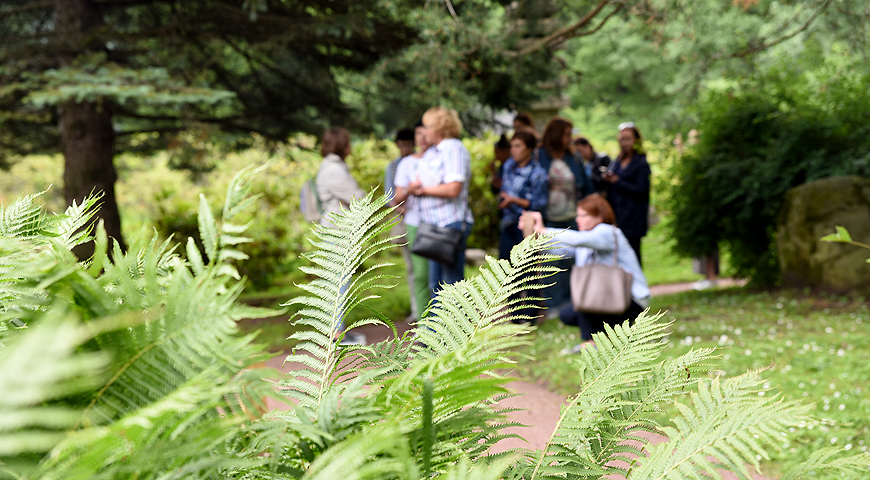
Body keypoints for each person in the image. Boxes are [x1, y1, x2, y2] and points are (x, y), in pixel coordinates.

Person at [520, 194, 650, 354]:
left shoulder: (608, 232)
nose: (578, 219)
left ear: (599, 216)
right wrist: (534, 237)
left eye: (583, 215)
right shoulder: (588, 241)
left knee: (587, 298)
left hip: (631, 300)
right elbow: (558, 250)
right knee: (567, 314)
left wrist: (544, 230)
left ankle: (591, 342)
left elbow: (577, 239)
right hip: (609, 299)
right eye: (577, 215)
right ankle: (609, 337)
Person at [407, 107, 474, 297]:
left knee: (450, 286)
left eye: (427, 127)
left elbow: (453, 188)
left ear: (439, 128)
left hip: (449, 223)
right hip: (432, 225)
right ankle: (436, 327)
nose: (423, 131)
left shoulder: (453, 148)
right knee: (435, 286)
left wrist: (422, 190)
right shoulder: (432, 152)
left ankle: (454, 326)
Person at [315, 126, 366, 345]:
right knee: (339, 280)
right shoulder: (333, 169)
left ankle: (338, 330)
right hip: (337, 228)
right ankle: (336, 333)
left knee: (338, 278)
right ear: (341, 144)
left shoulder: (331, 166)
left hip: (335, 226)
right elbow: (358, 196)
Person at [536, 117, 594, 311]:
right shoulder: (539, 156)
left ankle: (573, 303)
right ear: (556, 135)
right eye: (567, 134)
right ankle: (554, 305)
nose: (570, 138)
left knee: (574, 260)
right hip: (549, 217)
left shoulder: (574, 157)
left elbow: (585, 186)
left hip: (572, 216)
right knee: (552, 263)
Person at [499, 130, 548, 323]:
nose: (513, 150)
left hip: (526, 225)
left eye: (518, 146)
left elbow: (540, 203)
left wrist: (514, 201)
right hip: (508, 223)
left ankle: (531, 315)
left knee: (528, 270)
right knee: (508, 271)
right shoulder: (508, 166)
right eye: (512, 145)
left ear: (529, 149)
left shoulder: (538, 173)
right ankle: (514, 314)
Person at [393, 122, 432, 320]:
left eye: (426, 132)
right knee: (419, 274)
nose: (423, 136)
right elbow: (395, 198)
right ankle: (424, 322)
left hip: (438, 224)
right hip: (414, 223)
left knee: (439, 275)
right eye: (419, 133)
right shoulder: (405, 164)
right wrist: (409, 189)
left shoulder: (440, 158)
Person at [602, 122, 651, 266]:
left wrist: (617, 181)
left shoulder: (640, 163)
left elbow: (641, 190)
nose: (625, 143)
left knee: (633, 255)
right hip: (617, 215)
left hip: (633, 217)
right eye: (622, 139)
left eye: (628, 139)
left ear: (636, 140)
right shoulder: (617, 160)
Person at [385, 128, 416, 201]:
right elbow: (388, 196)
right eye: (402, 145)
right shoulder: (392, 166)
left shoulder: (420, 161)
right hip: (399, 207)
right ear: (397, 145)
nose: (405, 149)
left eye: (408, 145)